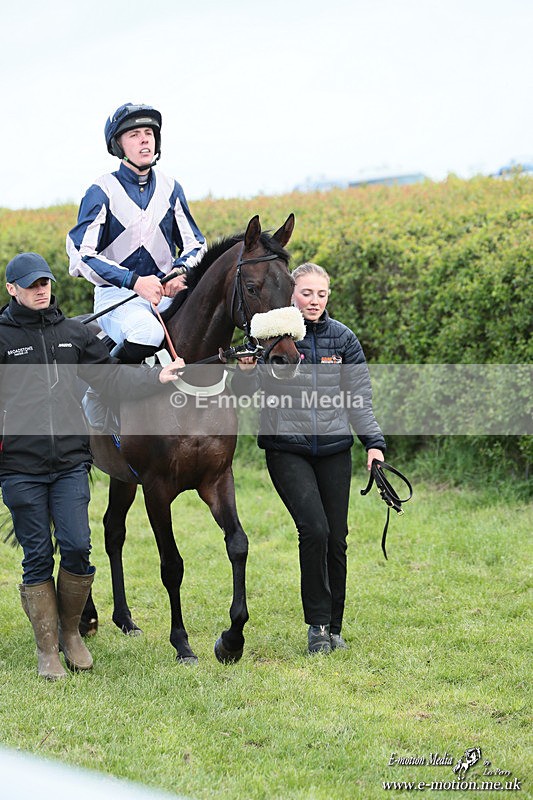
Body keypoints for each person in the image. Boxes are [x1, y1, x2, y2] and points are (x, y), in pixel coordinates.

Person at [0, 252, 185, 680]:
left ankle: (71, 633)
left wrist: (152, 378)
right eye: (30, 285)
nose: (40, 289)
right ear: (12, 289)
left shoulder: (73, 333)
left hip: (68, 464)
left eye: (45, 282)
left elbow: (110, 377)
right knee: (37, 556)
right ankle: (47, 650)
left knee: (78, 547)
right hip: (19, 468)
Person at [233, 262, 386, 655]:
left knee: (337, 539)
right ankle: (316, 627)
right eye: (306, 293)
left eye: (321, 294)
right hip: (287, 449)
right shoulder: (271, 338)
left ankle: (335, 627)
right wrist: (248, 371)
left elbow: (360, 398)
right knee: (314, 530)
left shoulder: (344, 339)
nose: (314, 301)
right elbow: (247, 395)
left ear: (328, 297)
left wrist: (373, 444)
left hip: (335, 450)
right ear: (291, 295)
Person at [66, 102, 207, 364]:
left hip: (165, 294)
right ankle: (104, 387)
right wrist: (134, 281)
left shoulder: (171, 188)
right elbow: (80, 255)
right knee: (148, 332)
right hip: (118, 296)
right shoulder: (101, 191)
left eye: (149, 133)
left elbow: (196, 244)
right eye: (134, 134)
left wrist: (180, 271)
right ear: (119, 146)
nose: (145, 140)